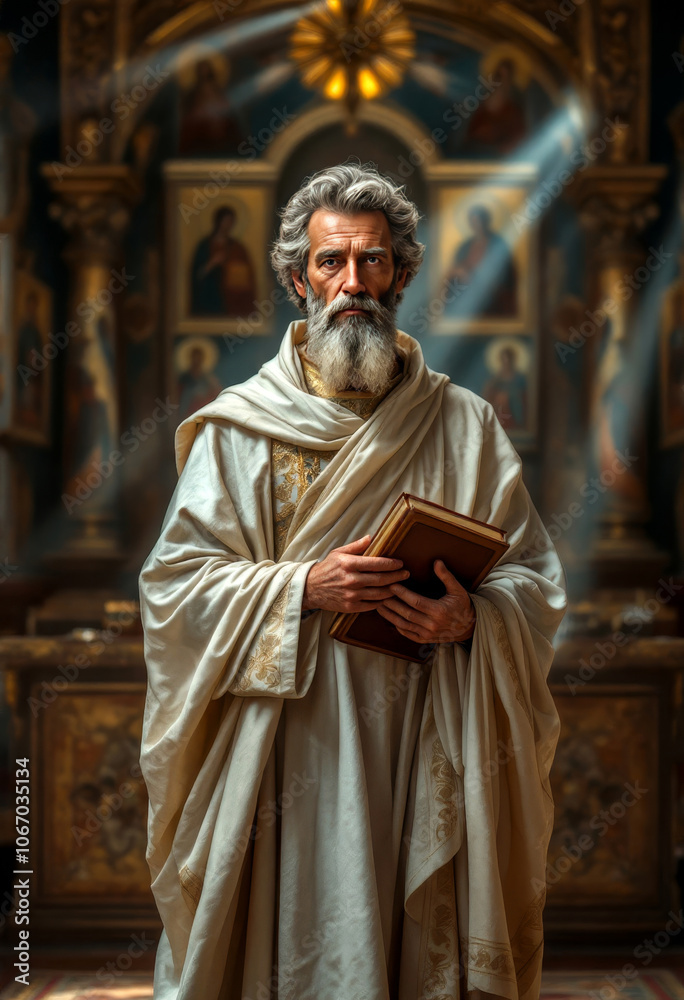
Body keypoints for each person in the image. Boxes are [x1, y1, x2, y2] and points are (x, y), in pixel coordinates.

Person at [139, 161, 566, 1000]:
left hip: (424, 731)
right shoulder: (242, 429)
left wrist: (473, 621)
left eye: (373, 262)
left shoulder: (462, 422)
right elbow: (175, 586)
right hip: (285, 747)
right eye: (331, 262)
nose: (352, 284)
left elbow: (531, 580)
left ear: (402, 275)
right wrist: (301, 586)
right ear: (299, 277)